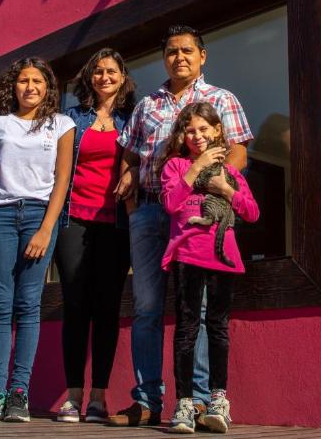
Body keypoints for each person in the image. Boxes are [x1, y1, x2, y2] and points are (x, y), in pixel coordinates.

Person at [108, 25, 253, 427]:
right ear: (164, 57)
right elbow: (133, 157)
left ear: (202, 56)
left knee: (201, 308)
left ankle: (202, 401)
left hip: (197, 213)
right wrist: (133, 196)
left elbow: (239, 147)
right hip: (153, 212)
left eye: (187, 50)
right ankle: (147, 399)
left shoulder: (221, 99)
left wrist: (222, 185)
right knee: (147, 308)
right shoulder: (146, 105)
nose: (179, 57)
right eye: (172, 51)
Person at [0, 57, 75, 423]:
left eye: (38, 81)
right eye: (24, 80)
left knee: (28, 304)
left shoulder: (61, 124)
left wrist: (47, 228)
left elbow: (62, 179)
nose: (30, 87)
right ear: (14, 86)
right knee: (1, 302)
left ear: (48, 88)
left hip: (38, 215)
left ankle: (19, 394)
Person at [160, 102, 259, 433]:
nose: (197, 135)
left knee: (217, 326)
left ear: (218, 131)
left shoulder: (229, 172)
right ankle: (185, 403)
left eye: (204, 129)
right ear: (183, 136)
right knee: (188, 326)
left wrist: (225, 190)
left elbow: (252, 212)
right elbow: (171, 203)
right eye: (190, 130)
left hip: (223, 257)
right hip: (188, 254)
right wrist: (196, 167)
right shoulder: (175, 166)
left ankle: (218, 400)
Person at [54, 48, 135, 423]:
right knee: (75, 307)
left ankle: (98, 398)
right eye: (98, 71)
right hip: (74, 220)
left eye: (112, 71)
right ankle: (72, 396)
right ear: (90, 78)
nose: (105, 77)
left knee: (107, 310)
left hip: (116, 224)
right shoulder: (70, 118)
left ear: (123, 77)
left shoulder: (132, 119)